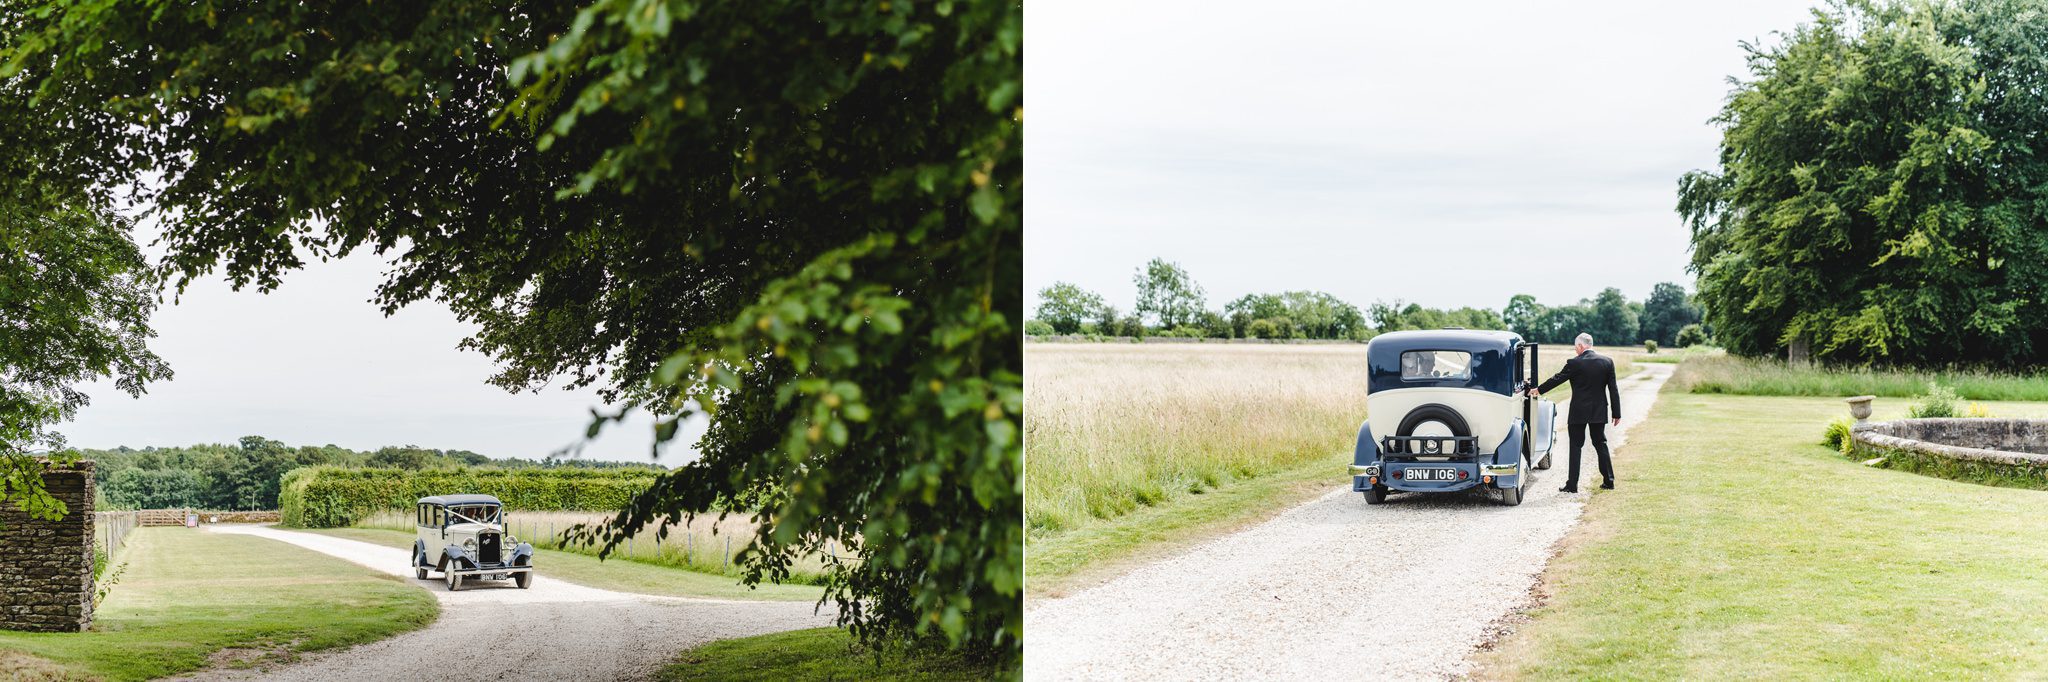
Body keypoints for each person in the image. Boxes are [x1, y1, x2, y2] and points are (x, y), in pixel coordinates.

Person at [1526, 332, 1621, 493]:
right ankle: (1609, 481)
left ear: (1580, 346)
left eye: (1575, 347)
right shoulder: (1607, 362)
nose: (1575, 350)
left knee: (1576, 446)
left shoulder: (1574, 363)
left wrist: (1538, 390)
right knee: (1601, 444)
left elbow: (1558, 379)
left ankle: (1572, 485)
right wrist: (1616, 413)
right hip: (1599, 411)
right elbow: (1613, 389)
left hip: (1578, 412)